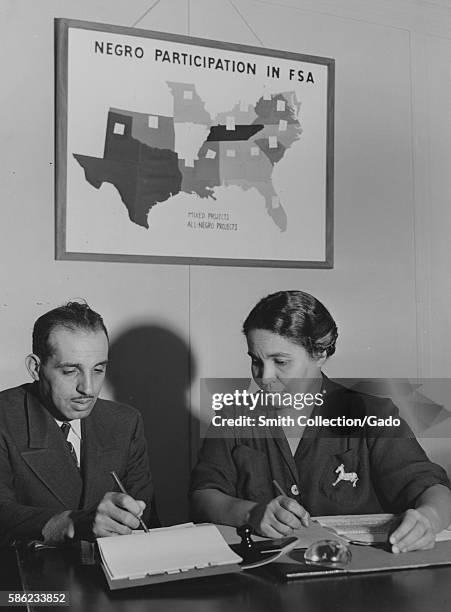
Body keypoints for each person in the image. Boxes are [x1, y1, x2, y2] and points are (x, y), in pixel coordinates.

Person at [190, 290, 451, 553]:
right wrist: (251, 513)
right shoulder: (234, 416)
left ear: (320, 354)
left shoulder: (371, 413)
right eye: (256, 361)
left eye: (280, 361)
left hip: (359, 580)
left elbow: (431, 487)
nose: (264, 377)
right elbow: (203, 495)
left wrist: (429, 518)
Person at [0, 301, 159, 546]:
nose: (88, 388)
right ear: (35, 367)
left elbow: (146, 522)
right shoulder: (5, 418)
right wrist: (74, 522)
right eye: (70, 371)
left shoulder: (125, 423)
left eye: (98, 369)